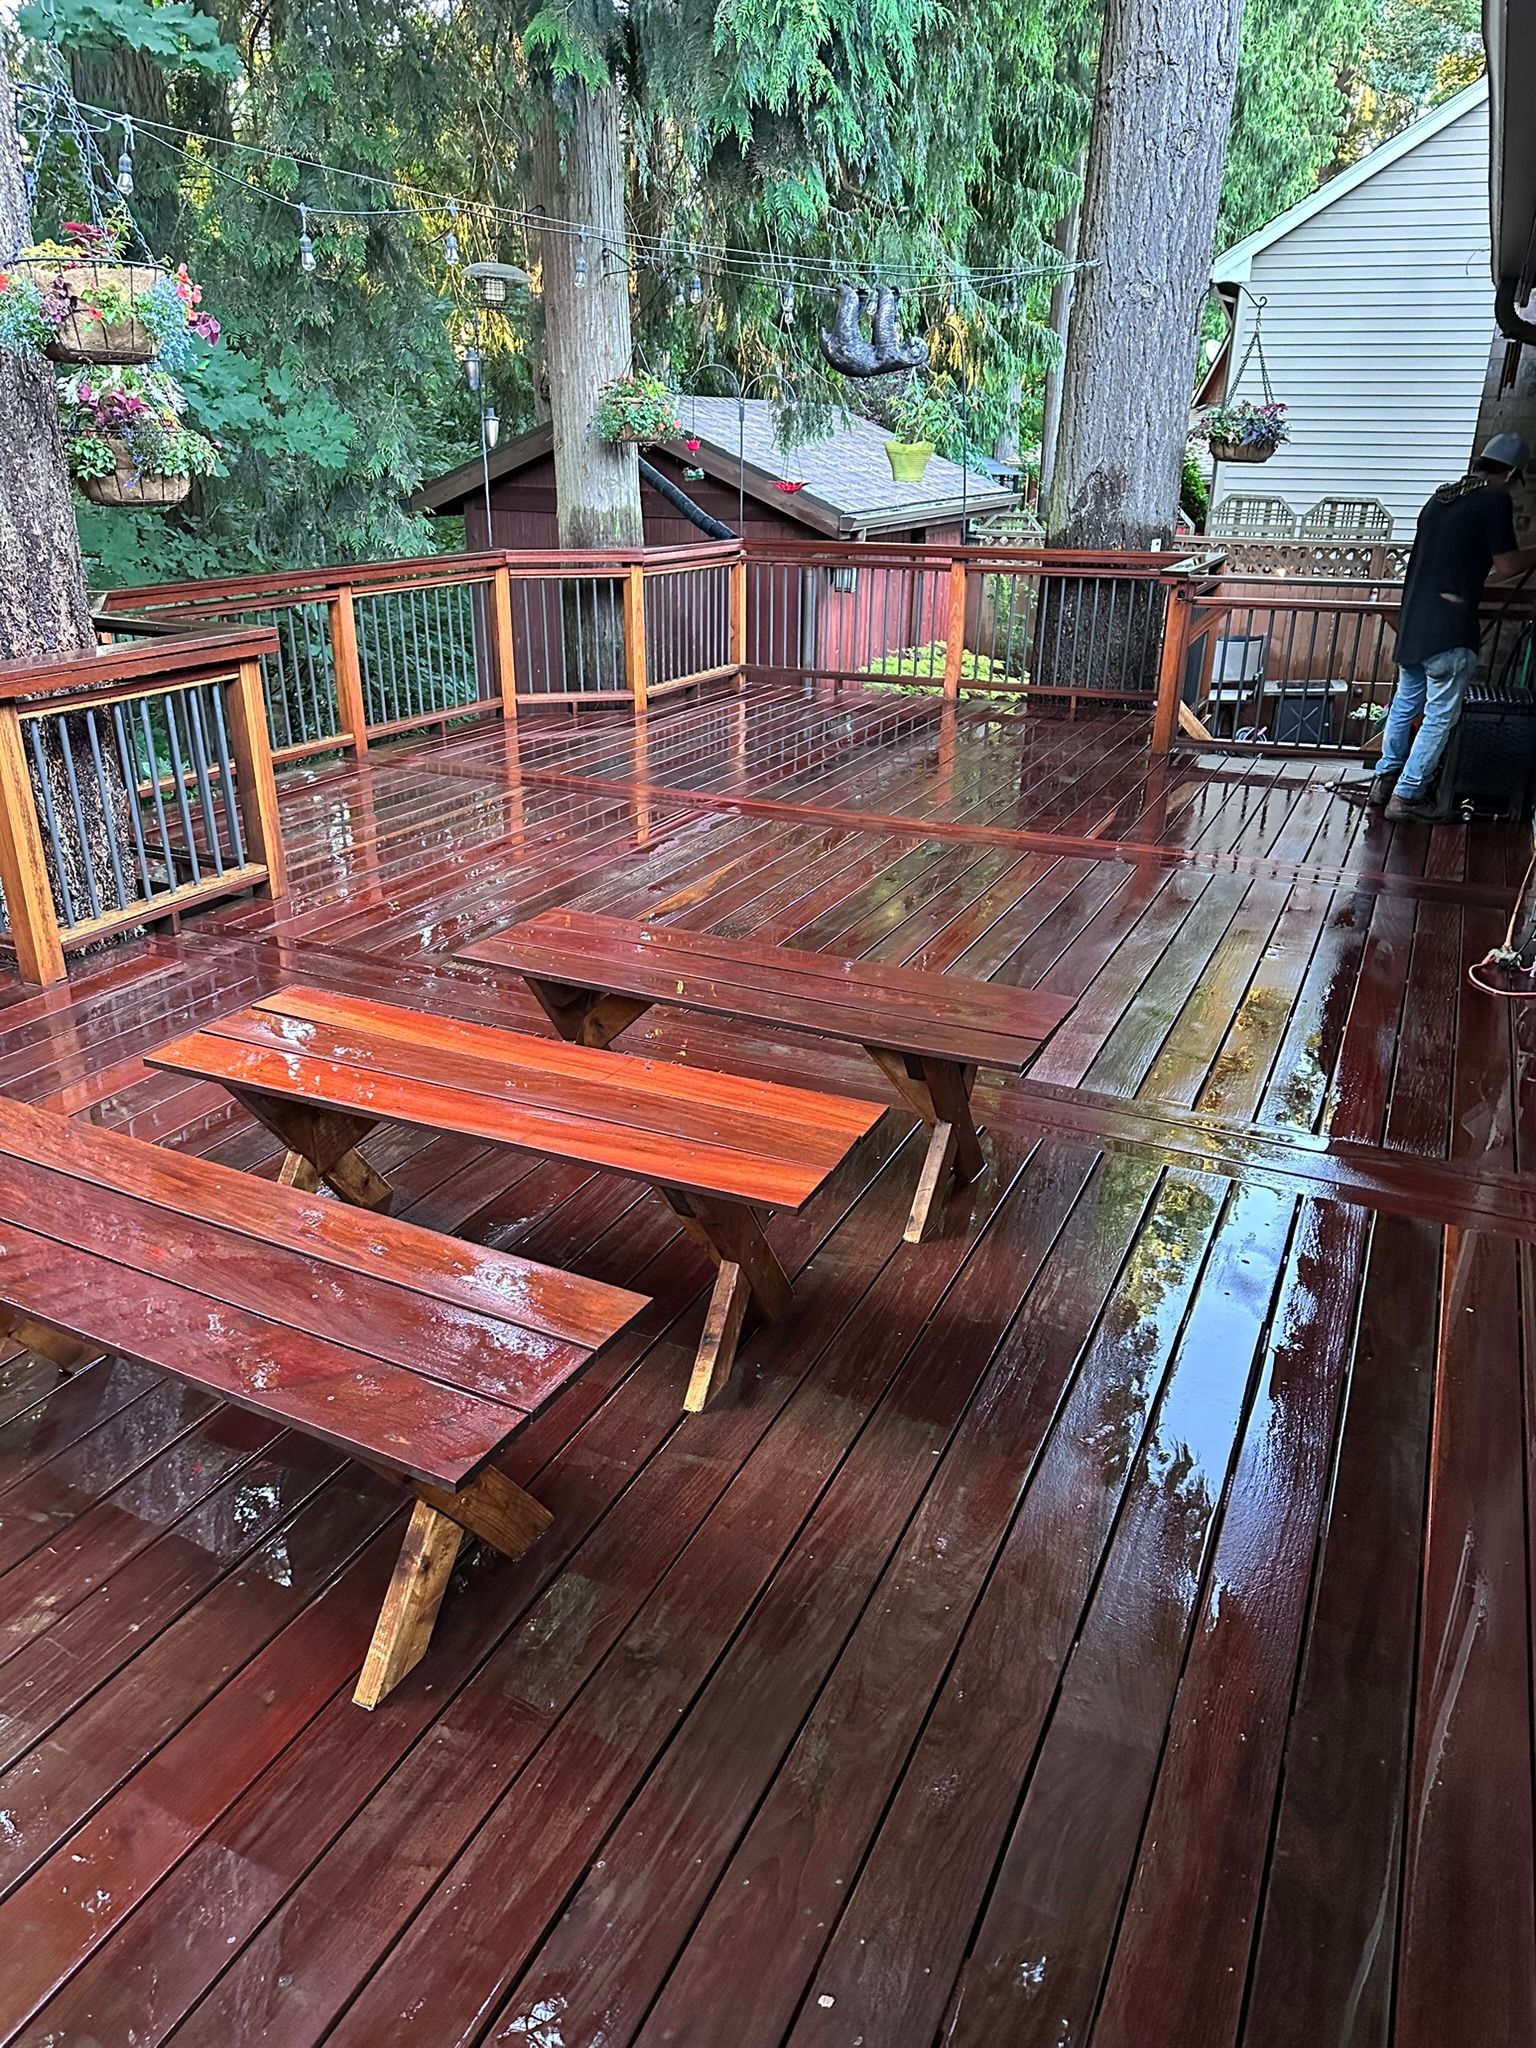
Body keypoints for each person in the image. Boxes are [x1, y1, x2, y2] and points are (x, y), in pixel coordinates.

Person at [1368, 433, 1536, 820]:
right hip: (1450, 632)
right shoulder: (1495, 499)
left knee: (1404, 706)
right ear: (1510, 473)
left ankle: (1384, 783)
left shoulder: (1440, 499)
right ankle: (1408, 796)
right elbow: (1507, 566)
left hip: (1414, 626)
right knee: (1440, 715)